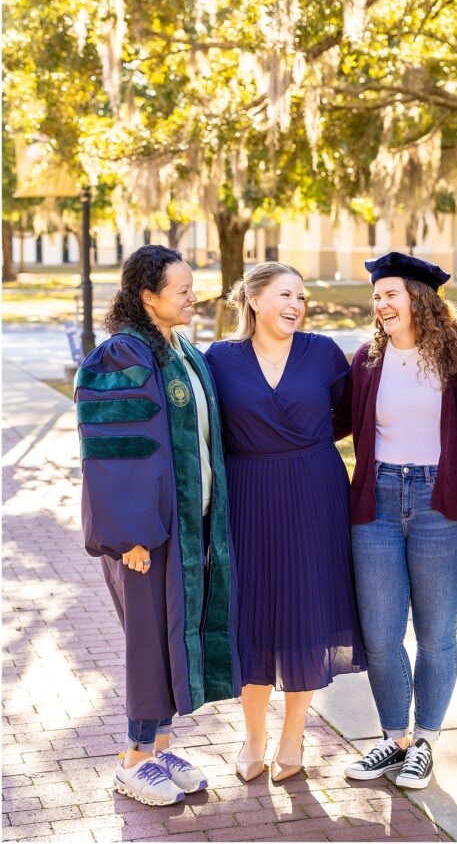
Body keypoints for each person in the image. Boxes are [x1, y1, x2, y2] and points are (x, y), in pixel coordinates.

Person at [75, 245, 241, 807]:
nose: (194, 297)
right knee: (149, 642)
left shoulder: (179, 348)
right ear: (148, 297)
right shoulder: (122, 355)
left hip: (186, 525)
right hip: (147, 535)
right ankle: (133, 759)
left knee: (173, 640)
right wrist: (132, 534)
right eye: (182, 290)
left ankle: (161, 747)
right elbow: (115, 451)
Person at [205, 261, 366, 784]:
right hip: (247, 493)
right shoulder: (220, 359)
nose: (295, 305)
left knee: (304, 610)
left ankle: (293, 734)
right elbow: (206, 426)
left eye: (300, 296)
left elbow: (348, 414)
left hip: (314, 492)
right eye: (284, 295)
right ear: (253, 299)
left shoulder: (323, 353)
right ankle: (253, 736)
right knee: (250, 613)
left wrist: (304, 442)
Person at [339, 251, 457, 790]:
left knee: (436, 632)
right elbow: (331, 421)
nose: (380, 304)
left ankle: (425, 742)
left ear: (419, 298)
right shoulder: (367, 361)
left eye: (390, 294)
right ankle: (393, 738)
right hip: (376, 501)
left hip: (441, 502)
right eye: (376, 297)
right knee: (379, 633)